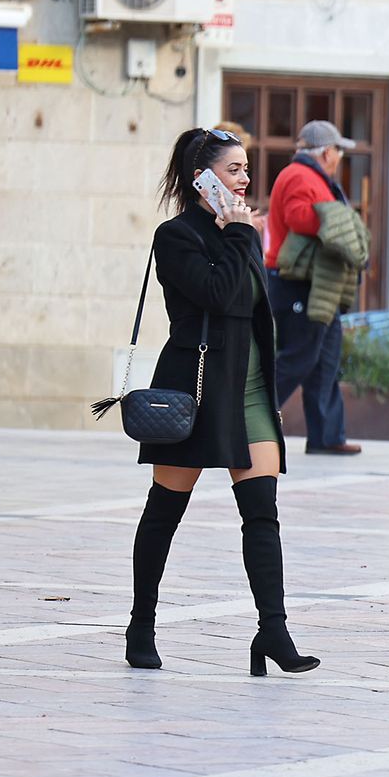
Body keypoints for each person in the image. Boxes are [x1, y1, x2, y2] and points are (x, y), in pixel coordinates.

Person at [126, 126, 319, 676]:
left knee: (262, 513)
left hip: (251, 389)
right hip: (197, 390)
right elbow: (221, 294)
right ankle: (141, 624)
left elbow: (255, 305)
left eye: (246, 169)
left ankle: (273, 631)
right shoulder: (176, 236)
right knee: (164, 512)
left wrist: (241, 233)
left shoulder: (244, 231)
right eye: (234, 170)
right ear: (201, 179)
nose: (245, 179)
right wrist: (237, 233)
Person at [265, 120, 366, 456]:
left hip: (319, 284)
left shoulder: (313, 177)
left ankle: (327, 436)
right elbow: (298, 217)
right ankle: (248, 420)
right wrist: (339, 219)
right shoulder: (299, 176)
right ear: (325, 152)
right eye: (338, 151)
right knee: (298, 358)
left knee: (325, 361)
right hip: (297, 283)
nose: (339, 157)